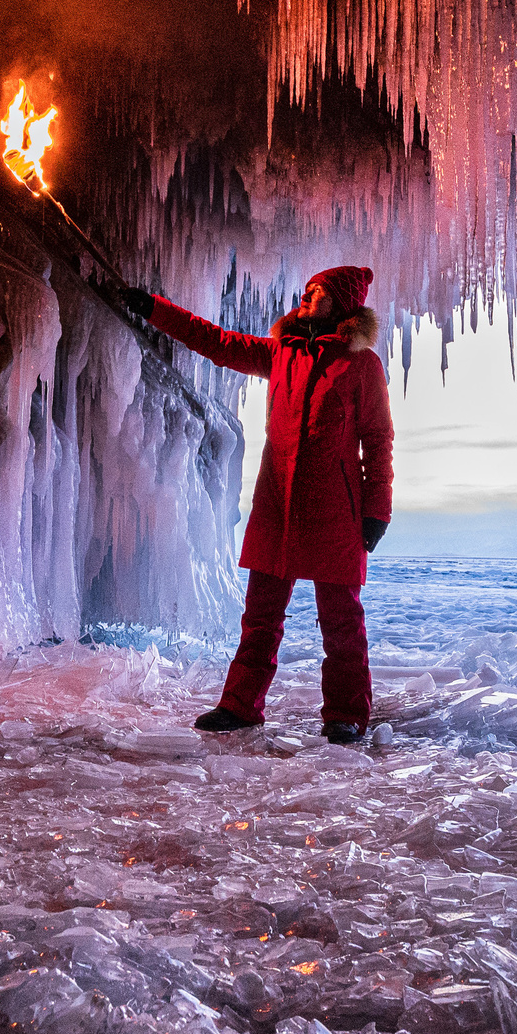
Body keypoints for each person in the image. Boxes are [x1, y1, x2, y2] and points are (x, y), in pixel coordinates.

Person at [120, 267, 393, 744]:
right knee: (261, 614)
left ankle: (346, 714)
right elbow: (218, 342)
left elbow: (378, 440)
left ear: (343, 302)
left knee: (341, 620)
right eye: (306, 289)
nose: (306, 296)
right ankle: (240, 706)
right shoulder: (283, 352)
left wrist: (377, 511)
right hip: (279, 501)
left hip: (336, 508)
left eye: (318, 292)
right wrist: (154, 309)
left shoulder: (361, 365)